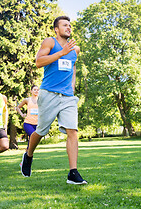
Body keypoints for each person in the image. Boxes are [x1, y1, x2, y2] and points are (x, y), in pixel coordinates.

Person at [21, 16, 87, 185]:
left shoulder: (75, 49)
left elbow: (72, 66)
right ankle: (28, 155)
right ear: (56, 29)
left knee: (73, 131)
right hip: (49, 94)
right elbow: (38, 62)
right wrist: (60, 53)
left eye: (70, 25)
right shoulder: (50, 42)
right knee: (41, 131)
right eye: (65, 25)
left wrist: (72, 85)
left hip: (67, 97)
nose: (69, 27)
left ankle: (73, 172)